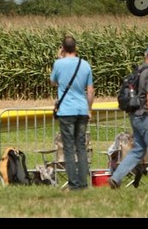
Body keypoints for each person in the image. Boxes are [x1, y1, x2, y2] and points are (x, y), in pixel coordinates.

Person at [109, 45, 148, 190]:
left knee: (139, 149)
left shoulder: (138, 70)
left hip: (134, 114)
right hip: (145, 115)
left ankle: (116, 177)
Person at [50, 35, 94, 191]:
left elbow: (54, 82)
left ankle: (73, 184)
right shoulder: (85, 65)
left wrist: (58, 58)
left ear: (63, 48)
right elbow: (90, 91)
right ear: (76, 48)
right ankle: (83, 183)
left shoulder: (58, 64)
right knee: (81, 147)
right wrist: (89, 109)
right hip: (82, 110)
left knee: (68, 148)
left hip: (66, 111)